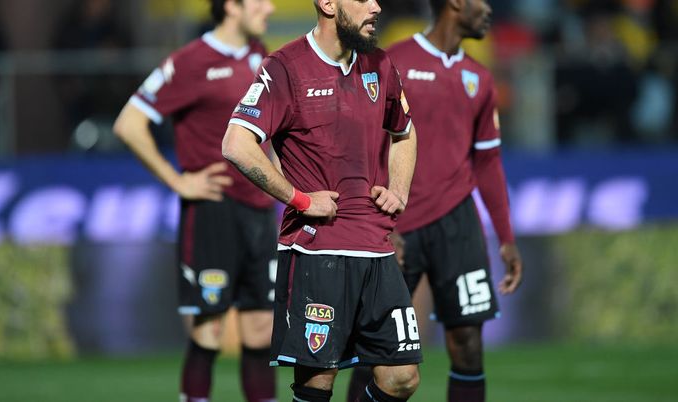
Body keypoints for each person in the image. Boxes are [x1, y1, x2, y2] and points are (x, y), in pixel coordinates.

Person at [221, 1, 422, 401]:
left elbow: (405, 133)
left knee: (402, 377)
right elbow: (236, 143)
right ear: (328, 4)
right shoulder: (285, 67)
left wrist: (399, 189)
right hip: (316, 251)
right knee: (317, 384)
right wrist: (298, 198)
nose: (376, 6)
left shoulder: (380, 65)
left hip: (376, 248)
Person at [346, 0, 524, 401]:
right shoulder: (395, 61)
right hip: (397, 221)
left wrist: (506, 238)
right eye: (481, 2)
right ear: (456, 4)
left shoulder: (479, 76)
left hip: (458, 222)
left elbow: (488, 162)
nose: (490, 10)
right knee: (378, 351)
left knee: (468, 345)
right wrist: (379, 225)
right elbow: (366, 142)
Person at [112, 1, 277, 401]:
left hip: (260, 213)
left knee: (261, 334)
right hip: (212, 212)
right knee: (209, 333)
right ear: (231, 7)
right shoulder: (188, 61)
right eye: (258, 0)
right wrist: (178, 181)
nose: (269, 7)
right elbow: (128, 124)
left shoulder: (264, 57)